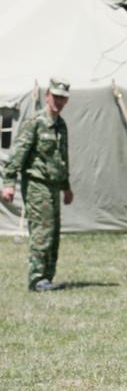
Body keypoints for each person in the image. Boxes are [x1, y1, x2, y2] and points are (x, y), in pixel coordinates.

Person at [1, 78, 73, 292]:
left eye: (63, 98)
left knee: (53, 232)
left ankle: (47, 277)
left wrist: (66, 187)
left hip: (53, 186)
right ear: (47, 96)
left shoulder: (61, 125)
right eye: (56, 96)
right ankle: (37, 278)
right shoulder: (35, 122)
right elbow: (17, 155)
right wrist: (9, 184)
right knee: (42, 231)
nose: (59, 101)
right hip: (36, 184)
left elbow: (62, 159)